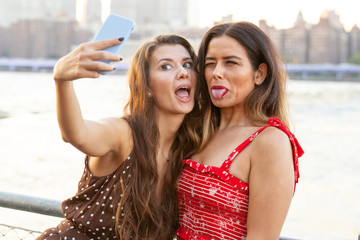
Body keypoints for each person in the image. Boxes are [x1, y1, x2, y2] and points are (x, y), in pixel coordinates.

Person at [36, 34, 209, 240]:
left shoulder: (191, 148)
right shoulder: (124, 133)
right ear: (146, 86)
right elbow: (76, 134)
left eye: (188, 64)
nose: (183, 72)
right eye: (166, 66)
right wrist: (62, 80)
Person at [176, 22, 304, 240]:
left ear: (259, 74)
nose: (216, 73)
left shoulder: (270, 141)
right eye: (210, 63)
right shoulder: (197, 130)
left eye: (231, 63)